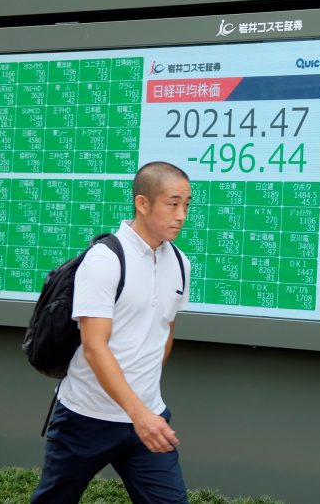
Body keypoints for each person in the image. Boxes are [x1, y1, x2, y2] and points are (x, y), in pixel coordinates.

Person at [31, 161, 192, 504]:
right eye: (173, 203)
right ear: (143, 203)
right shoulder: (105, 260)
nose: (181, 215)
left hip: (147, 418)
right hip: (85, 418)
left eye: (187, 205)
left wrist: (144, 402)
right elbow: (93, 347)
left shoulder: (180, 262)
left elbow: (165, 330)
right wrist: (138, 413)